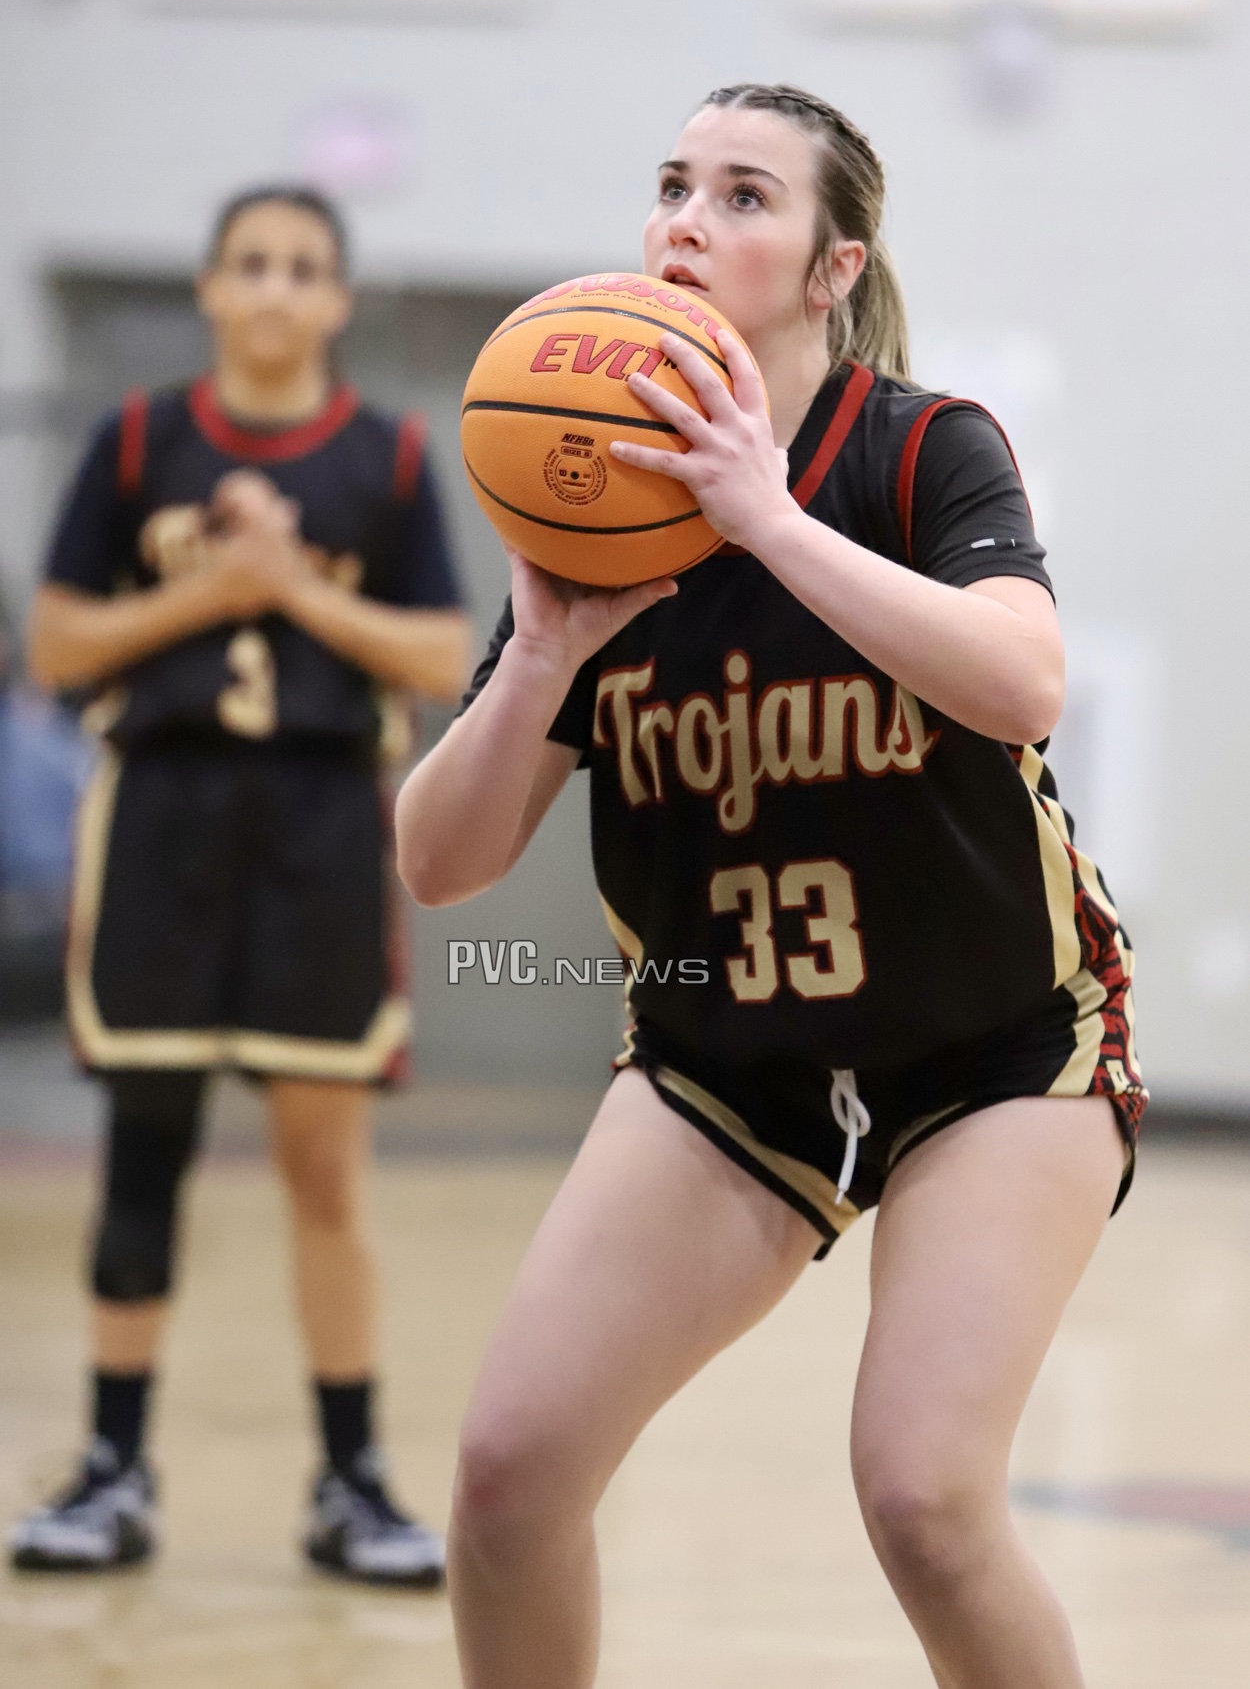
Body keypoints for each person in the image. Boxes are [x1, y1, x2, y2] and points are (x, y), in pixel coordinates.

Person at [395, 84, 1145, 1686]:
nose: (686, 220)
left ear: (829, 269)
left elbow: (1020, 683)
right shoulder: (591, 505)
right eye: (671, 185)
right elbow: (441, 865)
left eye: (742, 195)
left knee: (924, 1502)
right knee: (508, 1482)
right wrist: (539, 654)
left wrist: (765, 518)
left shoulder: (918, 448)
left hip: (999, 1047)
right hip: (726, 1058)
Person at [8, 185, 470, 1585]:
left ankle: (350, 1479)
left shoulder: (390, 458)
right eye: (251, 262)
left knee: (324, 1169)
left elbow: (444, 657)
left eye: (303, 267)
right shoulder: (136, 441)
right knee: (143, 1151)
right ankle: (111, 1465)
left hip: (321, 825)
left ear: (338, 301)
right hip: (163, 814)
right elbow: (58, 645)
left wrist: (291, 587)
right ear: (209, 287)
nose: (275, 287)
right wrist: (206, 596)